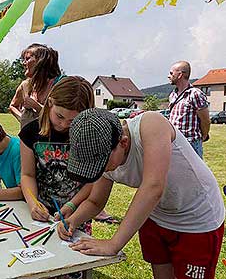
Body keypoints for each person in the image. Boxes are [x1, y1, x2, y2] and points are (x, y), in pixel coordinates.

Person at [59, 108, 224, 279]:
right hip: (157, 216)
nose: (99, 170)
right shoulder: (104, 151)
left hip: (197, 220)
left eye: (100, 164)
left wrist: (114, 244)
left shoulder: (151, 124)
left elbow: (153, 187)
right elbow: (95, 202)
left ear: (123, 143)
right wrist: (73, 220)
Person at [19, 76, 94, 235]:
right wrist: (33, 203)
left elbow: (92, 181)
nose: (64, 124)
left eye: (73, 120)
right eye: (60, 116)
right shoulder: (30, 132)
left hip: (77, 214)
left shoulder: (88, 137)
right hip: (42, 215)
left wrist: (73, 205)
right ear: (50, 103)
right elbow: (27, 174)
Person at [9, 43, 61, 129]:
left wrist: (36, 106)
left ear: (41, 61)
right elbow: (12, 106)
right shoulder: (25, 85)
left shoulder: (58, 85)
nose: (23, 63)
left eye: (27, 59)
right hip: (29, 141)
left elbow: (62, 118)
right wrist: (23, 118)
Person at [168, 61, 210, 158]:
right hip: (175, 143)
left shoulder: (195, 94)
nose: (168, 76)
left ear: (180, 75)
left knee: (195, 172)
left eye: (171, 73)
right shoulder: (173, 95)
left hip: (191, 144)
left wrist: (202, 137)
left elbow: (205, 121)